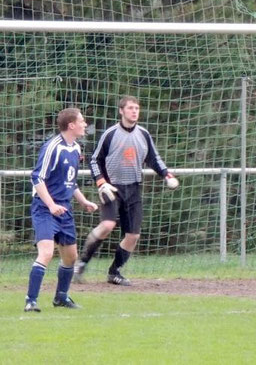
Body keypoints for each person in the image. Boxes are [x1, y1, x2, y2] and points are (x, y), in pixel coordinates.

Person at [73, 95, 179, 286]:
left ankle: (114, 272)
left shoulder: (143, 134)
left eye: (137, 108)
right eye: (130, 108)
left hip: (133, 188)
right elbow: (95, 160)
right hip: (111, 188)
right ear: (121, 111)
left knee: (133, 236)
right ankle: (81, 264)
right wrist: (101, 183)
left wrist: (166, 174)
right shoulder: (111, 133)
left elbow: (154, 158)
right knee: (107, 226)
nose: (134, 111)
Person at [24, 108, 99, 312]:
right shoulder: (53, 147)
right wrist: (51, 205)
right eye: (82, 121)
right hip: (45, 208)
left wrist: (84, 201)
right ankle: (31, 301)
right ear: (71, 125)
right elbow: (37, 178)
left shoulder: (75, 148)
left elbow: (70, 182)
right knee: (46, 253)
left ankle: (61, 297)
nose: (85, 124)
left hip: (64, 210)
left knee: (71, 257)